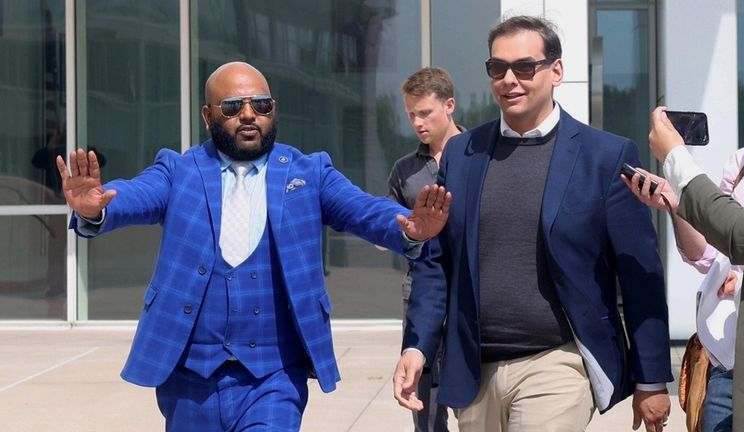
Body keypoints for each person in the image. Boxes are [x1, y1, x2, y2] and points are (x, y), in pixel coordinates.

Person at [55, 61, 451, 432]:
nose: (249, 114)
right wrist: (98, 207)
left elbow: (364, 209)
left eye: (261, 105)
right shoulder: (179, 170)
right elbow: (135, 194)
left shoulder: (307, 172)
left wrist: (409, 228)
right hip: (190, 376)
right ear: (208, 116)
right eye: (233, 106)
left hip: (274, 374)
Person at [392, 15, 673, 432]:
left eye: (525, 67)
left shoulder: (604, 156)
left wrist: (651, 378)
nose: (509, 79)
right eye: (497, 68)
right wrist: (417, 345)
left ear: (556, 70)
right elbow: (437, 261)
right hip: (475, 369)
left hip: (558, 362)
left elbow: (639, 274)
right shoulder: (461, 153)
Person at [642, 72, 744, 432]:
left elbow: (739, 234)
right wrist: (674, 202)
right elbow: (711, 253)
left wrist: (678, 160)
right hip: (726, 364)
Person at [386, 66, 464, 432]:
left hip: (470, 296)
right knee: (427, 412)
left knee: (474, 405)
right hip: (420, 294)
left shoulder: (480, 156)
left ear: (449, 106)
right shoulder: (404, 170)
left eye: (425, 113)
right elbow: (391, 232)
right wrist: (407, 234)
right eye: (411, 114)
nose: (417, 122)